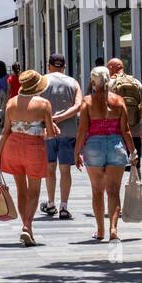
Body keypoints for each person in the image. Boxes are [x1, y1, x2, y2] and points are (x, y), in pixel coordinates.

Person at [0, 69, 57, 246]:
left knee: (21, 189)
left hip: (12, 147)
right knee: (34, 191)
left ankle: (25, 225)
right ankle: (27, 227)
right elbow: (50, 134)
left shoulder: (11, 103)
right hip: (33, 147)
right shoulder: (44, 104)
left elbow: (5, 132)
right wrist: (46, 129)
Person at [75, 66, 134, 241]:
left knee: (97, 191)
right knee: (113, 191)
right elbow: (126, 130)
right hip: (116, 145)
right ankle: (113, 229)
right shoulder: (119, 101)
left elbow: (82, 130)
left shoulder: (87, 101)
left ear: (94, 82)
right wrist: (133, 152)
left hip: (94, 146)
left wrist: (76, 152)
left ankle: (100, 231)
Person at [40, 53, 83, 219]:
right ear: (64, 66)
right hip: (68, 131)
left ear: (49, 65)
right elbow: (79, 105)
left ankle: (51, 204)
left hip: (47, 132)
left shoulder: (42, 81)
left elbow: (37, 105)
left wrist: (51, 120)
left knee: (50, 168)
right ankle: (64, 207)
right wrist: (62, 117)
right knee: (65, 170)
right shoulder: (73, 82)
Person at [107, 57, 142, 169]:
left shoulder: (109, 84)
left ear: (111, 68)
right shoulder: (136, 83)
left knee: (115, 170)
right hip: (134, 132)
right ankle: (136, 186)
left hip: (115, 134)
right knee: (134, 168)